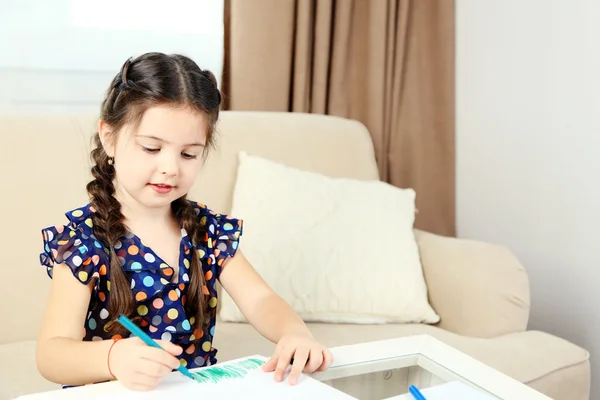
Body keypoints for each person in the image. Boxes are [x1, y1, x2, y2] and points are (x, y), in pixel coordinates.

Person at [35, 52, 333, 392]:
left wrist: (294, 333)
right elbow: (51, 354)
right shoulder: (84, 242)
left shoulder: (205, 231)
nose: (171, 168)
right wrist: (113, 357)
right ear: (109, 137)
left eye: (189, 154)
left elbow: (261, 300)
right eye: (151, 148)